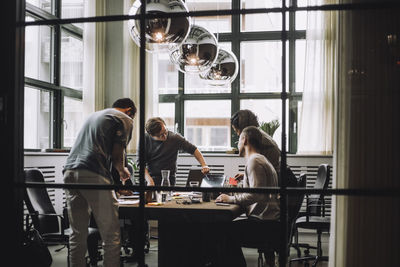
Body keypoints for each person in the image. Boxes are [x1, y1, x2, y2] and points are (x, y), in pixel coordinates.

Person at [63, 98, 136, 267]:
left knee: (77, 232)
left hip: (69, 171)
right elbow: (118, 154)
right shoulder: (125, 119)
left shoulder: (94, 115)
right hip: (93, 172)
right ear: (130, 111)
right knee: (110, 233)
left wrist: (120, 169)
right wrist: (121, 170)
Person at [216, 126, 280, 267]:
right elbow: (258, 191)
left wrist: (230, 199)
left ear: (244, 140)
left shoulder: (254, 161)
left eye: (238, 140)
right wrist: (236, 190)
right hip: (271, 223)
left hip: (263, 225)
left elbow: (255, 194)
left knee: (222, 231)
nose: (237, 144)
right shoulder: (262, 159)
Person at [137, 117, 210, 186]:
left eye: (165, 131)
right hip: (150, 178)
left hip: (169, 179)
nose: (165, 136)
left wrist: (204, 165)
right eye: (161, 135)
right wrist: (149, 180)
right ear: (151, 135)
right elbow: (141, 164)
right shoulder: (144, 139)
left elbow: (194, 150)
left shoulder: (175, 138)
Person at [231, 109, 280, 180]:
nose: (238, 135)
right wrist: (246, 175)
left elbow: (260, 181)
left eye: (237, 131)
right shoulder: (258, 135)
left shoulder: (257, 141)